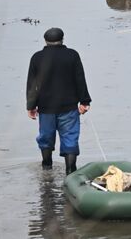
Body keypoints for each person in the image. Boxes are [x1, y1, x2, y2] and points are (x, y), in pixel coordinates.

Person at [26, 27, 92, 175]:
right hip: (69, 108)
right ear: (62, 39)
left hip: (46, 109)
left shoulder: (37, 58)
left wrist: (31, 105)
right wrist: (84, 101)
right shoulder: (72, 55)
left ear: (45, 41)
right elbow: (80, 79)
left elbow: (32, 84)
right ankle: (70, 172)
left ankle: (46, 169)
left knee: (46, 138)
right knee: (70, 139)